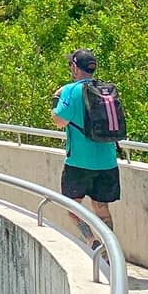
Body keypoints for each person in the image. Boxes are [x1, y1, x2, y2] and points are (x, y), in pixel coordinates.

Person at [51, 49, 120, 250]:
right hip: (107, 161)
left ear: (74, 67)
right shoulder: (105, 90)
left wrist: (56, 100)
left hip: (79, 162)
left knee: (71, 207)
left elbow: (59, 121)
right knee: (102, 209)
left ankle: (91, 241)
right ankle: (110, 249)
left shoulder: (70, 91)